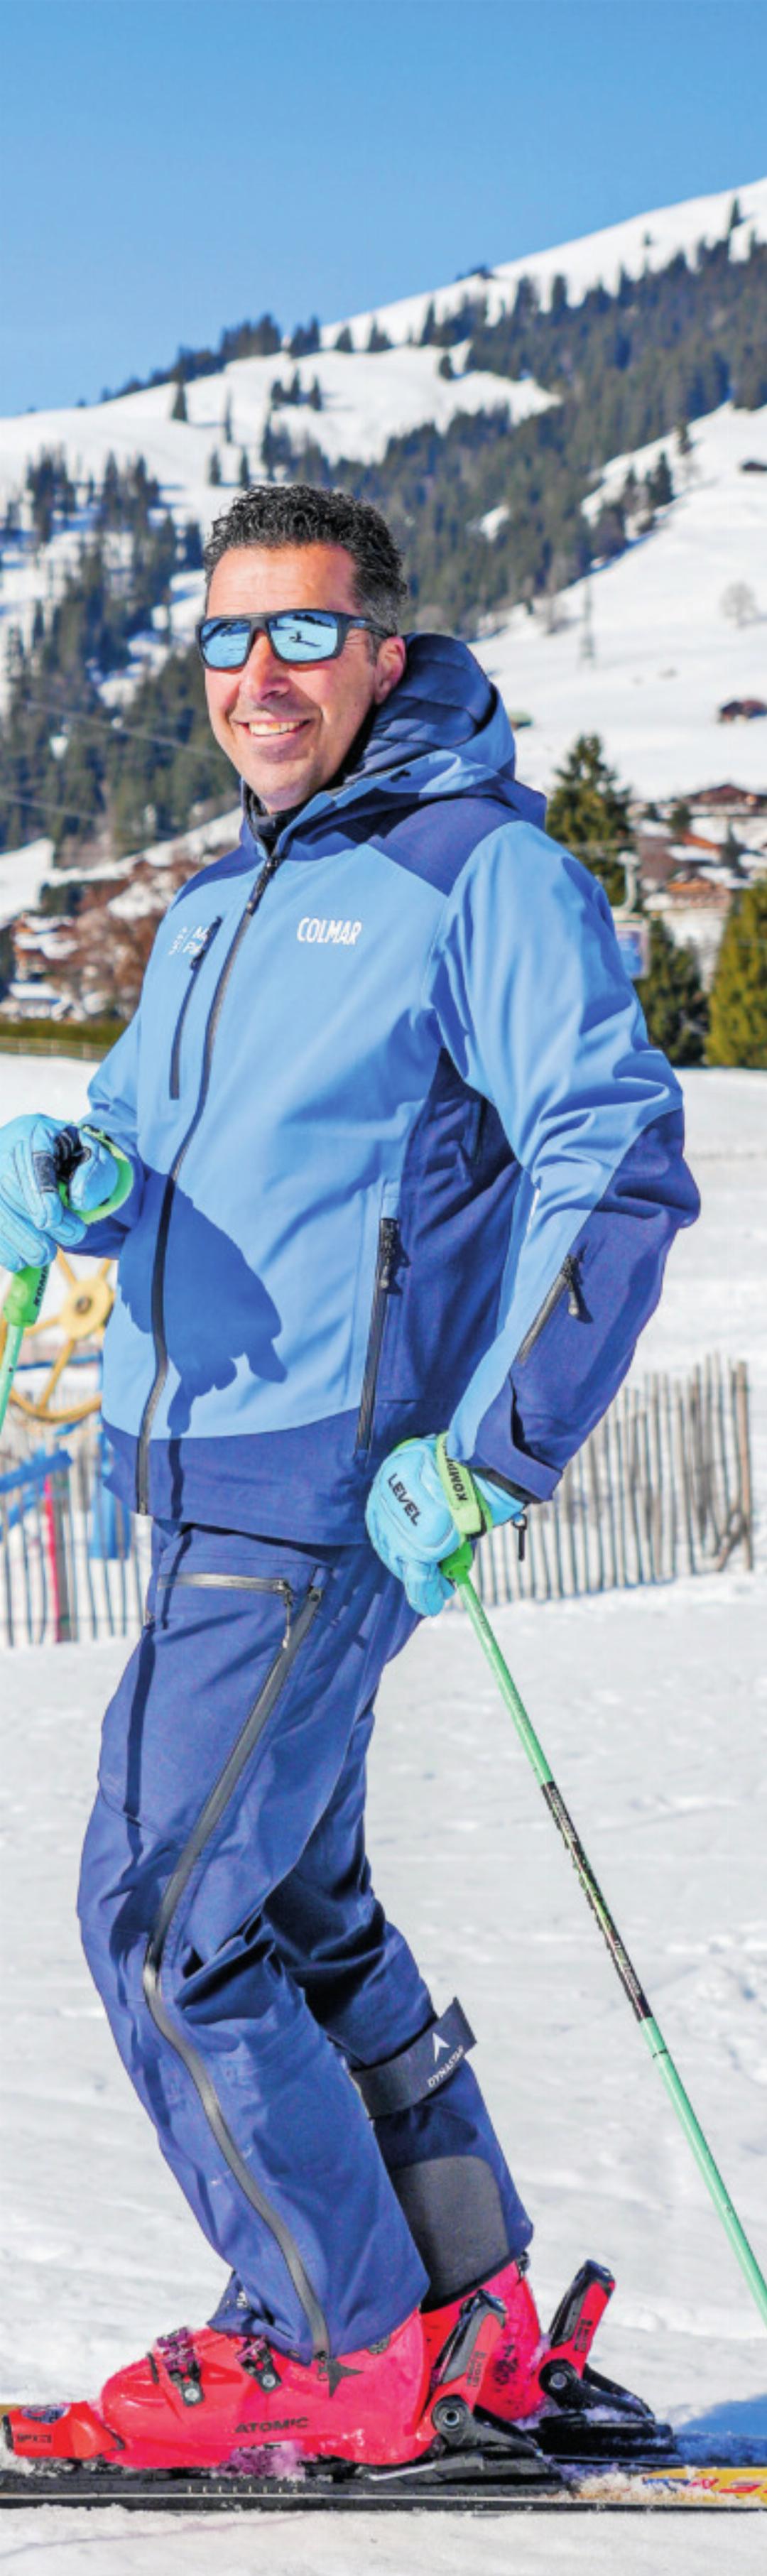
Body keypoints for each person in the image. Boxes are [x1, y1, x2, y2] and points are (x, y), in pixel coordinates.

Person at [0, 484, 699, 2474]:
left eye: (302, 634)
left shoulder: (478, 874)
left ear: (385, 651)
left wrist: (491, 1454)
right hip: (200, 1478)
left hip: (321, 1497)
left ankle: (330, 2343)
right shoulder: (223, 900)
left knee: (163, 1918)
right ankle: (462, 2312)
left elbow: (615, 1161)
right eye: (228, 640)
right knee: (296, 1909)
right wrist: (82, 1171)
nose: (260, 678)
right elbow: (154, 1124)